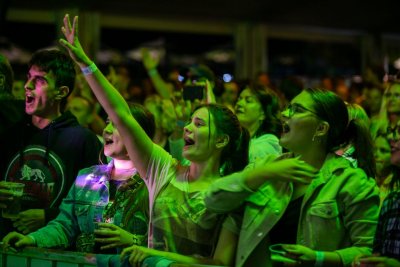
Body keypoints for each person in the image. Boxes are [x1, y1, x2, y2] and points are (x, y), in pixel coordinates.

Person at [60, 14, 250, 266]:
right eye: (189, 121)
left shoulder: (227, 194)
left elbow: (220, 264)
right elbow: (123, 116)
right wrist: (87, 66)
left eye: (200, 124)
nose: (188, 128)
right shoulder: (165, 170)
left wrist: (156, 255)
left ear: (221, 140)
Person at [205, 88, 380, 267]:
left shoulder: (350, 181)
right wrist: (264, 173)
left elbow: (368, 250)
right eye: (288, 107)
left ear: (321, 128)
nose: (284, 114)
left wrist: (319, 258)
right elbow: (213, 201)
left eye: (297, 110)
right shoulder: (267, 167)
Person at [2, 103, 154, 255]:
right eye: (107, 123)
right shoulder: (86, 178)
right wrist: (31, 239)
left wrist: (135, 241)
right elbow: (65, 225)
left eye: (116, 125)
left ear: (139, 134)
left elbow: (171, 243)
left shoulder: (156, 183)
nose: (106, 130)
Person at [0, 49, 103, 238]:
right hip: (6, 247)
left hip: (55, 255)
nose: (27, 85)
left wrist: (49, 216)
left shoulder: (84, 141)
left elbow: (93, 206)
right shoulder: (10, 134)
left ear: (61, 92)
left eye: (40, 80)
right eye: (29, 77)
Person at [235, 85, 282, 163]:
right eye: (239, 99)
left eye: (248, 101)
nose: (239, 103)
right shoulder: (236, 137)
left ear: (263, 113)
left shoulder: (269, 142)